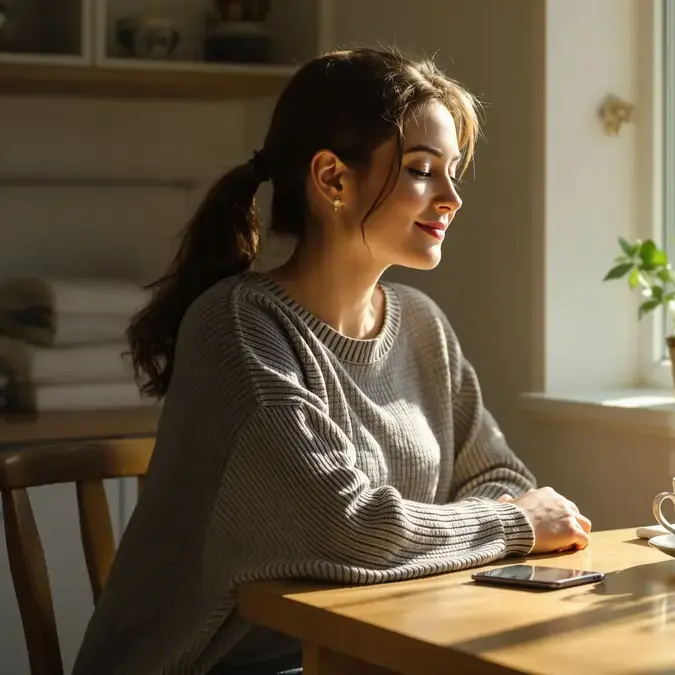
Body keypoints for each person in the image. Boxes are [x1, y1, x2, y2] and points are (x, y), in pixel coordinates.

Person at [71, 48, 591, 675]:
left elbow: (499, 481)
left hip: (364, 650)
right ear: (332, 179)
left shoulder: (422, 325)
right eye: (424, 170)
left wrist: (497, 518)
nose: (452, 197)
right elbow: (346, 526)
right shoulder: (240, 326)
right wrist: (511, 528)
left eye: (452, 171)